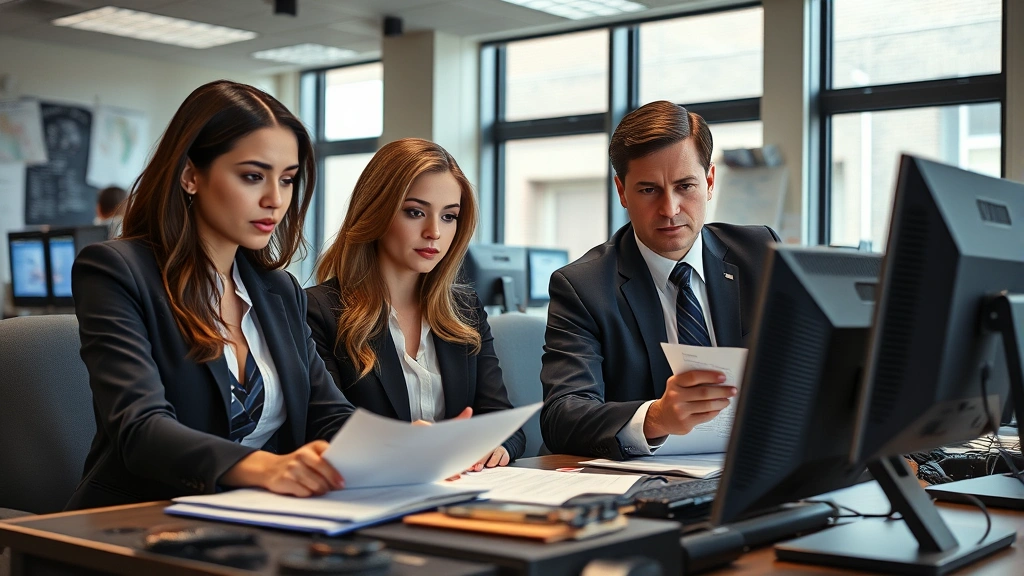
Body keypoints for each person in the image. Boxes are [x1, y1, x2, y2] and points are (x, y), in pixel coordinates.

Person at [67, 80, 354, 510]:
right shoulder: (117, 271)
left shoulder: (279, 290)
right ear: (190, 175)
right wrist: (266, 468)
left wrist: (407, 447)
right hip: (143, 521)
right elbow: (142, 431)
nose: (275, 199)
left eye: (288, 179)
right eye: (253, 176)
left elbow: (327, 412)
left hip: (260, 518)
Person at [540, 101, 780, 459]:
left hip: (753, 464)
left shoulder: (760, 253)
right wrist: (656, 417)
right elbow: (563, 417)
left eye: (685, 186)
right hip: (646, 482)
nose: (669, 209)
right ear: (622, 191)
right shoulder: (583, 286)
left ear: (710, 181)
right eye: (648, 190)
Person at [306, 138, 526, 468]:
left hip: (462, 492)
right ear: (375, 211)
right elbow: (324, 430)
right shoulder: (319, 311)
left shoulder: (464, 310)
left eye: (449, 216)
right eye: (415, 212)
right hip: (371, 495)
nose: (434, 232)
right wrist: (405, 444)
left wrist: (497, 447)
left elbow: (502, 421)